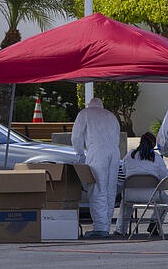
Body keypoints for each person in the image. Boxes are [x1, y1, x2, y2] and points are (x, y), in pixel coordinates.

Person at [71, 97, 120, 238]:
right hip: (114, 152)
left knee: (98, 188)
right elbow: (117, 134)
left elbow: (76, 137)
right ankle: (106, 225)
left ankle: (100, 227)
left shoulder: (85, 113)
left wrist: (79, 153)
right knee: (110, 189)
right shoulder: (111, 115)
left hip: (97, 152)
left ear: (89, 105)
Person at [113, 132, 168, 236]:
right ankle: (155, 223)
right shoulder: (157, 157)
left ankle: (120, 229)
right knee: (166, 199)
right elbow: (164, 177)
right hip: (151, 196)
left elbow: (124, 172)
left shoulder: (129, 155)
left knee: (125, 204)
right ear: (153, 144)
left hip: (130, 195)